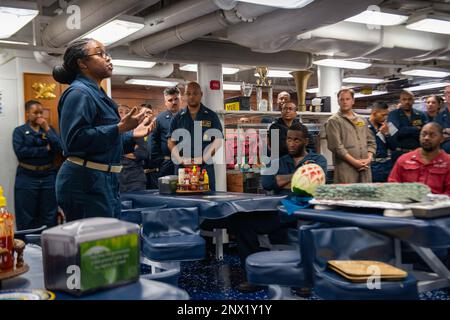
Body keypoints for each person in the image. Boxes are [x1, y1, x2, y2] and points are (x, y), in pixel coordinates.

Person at [53, 38, 154, 221]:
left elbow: (105, 144)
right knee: (93, 246)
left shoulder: (98, 94)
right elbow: (74, 140)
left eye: (107, 53)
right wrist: (119, 128)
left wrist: (131, 135)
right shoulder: (79, 93)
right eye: (100, 53)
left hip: (104, 180)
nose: (107, 58)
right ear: (82, 63)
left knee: (107, 243)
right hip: (85, 181)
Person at [230, 123, 327, 293]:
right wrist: (299, 176)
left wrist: (282, 180)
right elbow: (267, 183)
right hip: (280, 210)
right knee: (241, 221)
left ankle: (304, 278)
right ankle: (255, 276)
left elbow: (314, 184)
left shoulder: (319, 159)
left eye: (296, 140)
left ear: (305, 141)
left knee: (306, 220)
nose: (291, 143)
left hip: (303, 208)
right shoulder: (279, 161)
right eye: (289, 139)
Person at [12, 100, 62, 230]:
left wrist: (47, 129)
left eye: (41, 112)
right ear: (28, 113)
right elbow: (21, 152)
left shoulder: (48, 129)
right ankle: (27, 247)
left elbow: (59, 148)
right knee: (26, 215)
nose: (39, 115)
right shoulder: (19, 131)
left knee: (50, 215)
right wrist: (45, 150)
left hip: (48, 176)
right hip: (27, 177)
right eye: (35, 112)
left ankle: (49, 245)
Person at [168, 82, 223, 191]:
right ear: (184, 96)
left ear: (201, 94)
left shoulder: (211, 116)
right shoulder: (177, 118)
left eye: (195, 93)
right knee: (184, 200)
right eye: (188, 94)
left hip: (204, 167)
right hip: (183, 167)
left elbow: (218, 141)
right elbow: (170, 142)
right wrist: (180, 160)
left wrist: (203, 158)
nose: (191, 96)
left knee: (208, 199)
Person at [325, 89, 376, 183]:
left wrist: (368, 159)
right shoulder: (334, 121)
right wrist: (355, 163)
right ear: (338, 101)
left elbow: (371, 142)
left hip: (365, 168)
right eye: (342, 99)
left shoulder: (362, 120)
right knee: (347, 195)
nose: (344, 102)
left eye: (347, 99)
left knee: (365, 195)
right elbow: (337, 147)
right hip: (346, 170)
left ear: (353, 101)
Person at [388, 122, 450, 196]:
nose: (426, 138)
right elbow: (393, 186)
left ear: (442, 139)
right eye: (423, 134)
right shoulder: (404, 159)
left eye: (432, 135)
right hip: (406, 205)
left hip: (440, 205)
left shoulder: (447, 162)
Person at [148, 87, 181, 183]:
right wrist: (159, 161)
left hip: (185, 162)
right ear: (165, 102)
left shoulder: (188, 116)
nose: (174, 102)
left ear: (180, 99)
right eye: (170, 100)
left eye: (176, 99)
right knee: (167, 191)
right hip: (167, 163)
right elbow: (153, 141)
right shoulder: (159, 119)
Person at [387, 90, 428, 162]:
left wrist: (404, 129)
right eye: (404, 99)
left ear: (413, 100)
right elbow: (395, 133)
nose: (407, 102)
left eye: (409, 99)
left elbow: (425, 133)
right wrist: (416, 129)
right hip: (400, 154)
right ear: (400, 100)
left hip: (418, 153)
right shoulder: (392, 115)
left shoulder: (421, 114)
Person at [118, 105, 149, 193]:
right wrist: (131, 150)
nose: (123, 115)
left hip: (135, 178)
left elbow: (143, 152)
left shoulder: (136, 131)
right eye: (120, 112)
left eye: (127, 112)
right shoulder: (113, 132)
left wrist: (120, 152)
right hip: (117, 178)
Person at [367, 102, 396, 182]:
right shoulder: (363, 126)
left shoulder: (389, 125)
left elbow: (394, 146)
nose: (385, 117)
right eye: (383, 115)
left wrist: (387, 134)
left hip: (386, 166)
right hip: (371, 166)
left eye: (387, 115)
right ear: (374, 113)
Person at [436, 85, 450, 153]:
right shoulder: (440, 116)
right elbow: (437, 136)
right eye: (447, 93)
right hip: (446, 156)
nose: (449, 95)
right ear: (444, 96)